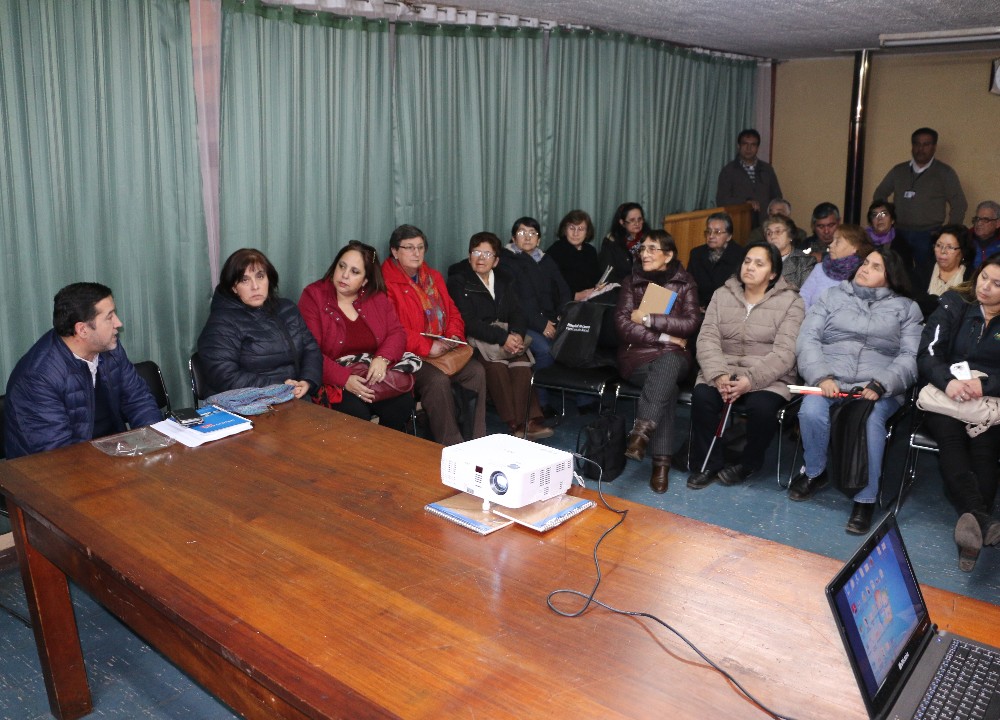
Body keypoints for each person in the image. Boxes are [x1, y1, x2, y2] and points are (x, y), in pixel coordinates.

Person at [791, 249, 922, 535]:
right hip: (830, 379)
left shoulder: (907, 308)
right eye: (864, 263)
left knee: (870, 422)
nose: (865, 269)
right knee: (810, 411)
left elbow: (910, 358)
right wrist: (821, 375)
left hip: (876, 386)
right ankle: (815, 472)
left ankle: (865, 499)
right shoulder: (832, 296)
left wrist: (880, 384)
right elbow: (808, 338)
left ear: (890, 275)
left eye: (875, 266)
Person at [686, 243, 804, 489]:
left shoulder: (791, 302)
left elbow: (785, 352)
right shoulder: (722, 294)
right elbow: (707, 338)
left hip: (768, 374)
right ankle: (709, 463)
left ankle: (749, 463)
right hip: (723, 369)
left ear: (773, 274)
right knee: (703, 396)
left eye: (759, 264)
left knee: (762, 406)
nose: (749, 267)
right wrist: (718, 375)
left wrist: (750, 380)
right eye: (747, 261)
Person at [5, 283, 162, 459]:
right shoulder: (38, 378)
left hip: (111, 455)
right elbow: (58, 454)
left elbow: (138, 399)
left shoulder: (109, 348)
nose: (118, 323)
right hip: (54, 472)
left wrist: (157, 444)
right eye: (109, 317)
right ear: (82, 330)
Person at [917, 257, 1000, 571]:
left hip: (987, 400)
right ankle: (982, 520)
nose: (985, 287)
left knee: (986, 448)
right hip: (946, 396)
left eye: (996, 284)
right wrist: (948, 382)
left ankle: (972, 532)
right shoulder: (955, 301)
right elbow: (927, 353)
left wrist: (987, 384)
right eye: (984, 278)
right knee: (950, 439)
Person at [381, 224, 487, 445]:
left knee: (476, 371)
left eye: (420, 247)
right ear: (394, 251)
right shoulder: (385, 283)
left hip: (442, 349)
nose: (416, 253)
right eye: (409, 248)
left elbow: (453, 312)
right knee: (437, 381)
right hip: (408, 354)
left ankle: (477, 441)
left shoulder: (433, 277)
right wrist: (427, 347)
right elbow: (391, 329)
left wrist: (454, 336)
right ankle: (452, 446)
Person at [615, 230, 701, 493]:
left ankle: (641, 433)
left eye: (653, 248)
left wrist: (649, 319)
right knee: (668, 387)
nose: (645, 254)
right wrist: (666, 336)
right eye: (643, 248)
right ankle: (660, 463)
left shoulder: (686, 283)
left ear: (669, 255)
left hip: (675, 357)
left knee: (669, 363)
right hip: (636, 356)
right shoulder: (632, 282)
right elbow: (622, 325)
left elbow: (690, 323)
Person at [299, 241, 413, 432]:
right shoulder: (314, 296)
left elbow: (397, 332)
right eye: (342, 266)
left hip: (369, 373)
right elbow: (309, 351)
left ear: (365, 280)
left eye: (355, 272)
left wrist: (382, 358)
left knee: (402, 403)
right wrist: (344, 379)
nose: (344, 275)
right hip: (332, 379)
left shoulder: (375, 297)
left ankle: (388, 456)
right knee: (356, 413)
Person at [448, 232, 552, 440]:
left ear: (495, 260)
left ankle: (529, 420)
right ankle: (514, 422)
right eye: (476, 252)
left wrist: (516, 334)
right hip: (478, 341)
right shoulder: (458, 282)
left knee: (521, 364)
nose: (481, 258)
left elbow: (518, 312)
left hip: (506, 337)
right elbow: (468, 321)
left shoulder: (505, 279)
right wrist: (502, 338)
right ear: (469, 257)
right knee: (496, 368)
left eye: (487, 254)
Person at [197, 248, 321, 398]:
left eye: (260, 276)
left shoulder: (287, 309)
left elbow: (311, 349)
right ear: (233, 287)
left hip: (294, 397)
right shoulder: (221, 322)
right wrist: (279, 387)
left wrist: (306, 381)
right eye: (244, 280)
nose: (255, 286)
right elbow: (224, 375)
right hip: (246, 404)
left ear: (269, 279)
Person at [873, 127, 967, 271]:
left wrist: (948, 233)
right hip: (899, 232)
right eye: (917, 144)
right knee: (898, 275)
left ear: (934, 147)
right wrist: (885, 221)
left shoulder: (944, 173)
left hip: (929, 235)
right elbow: (880, 193)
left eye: (926, 144)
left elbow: (959, 204)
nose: (920, 149)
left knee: (927, 276)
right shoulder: (899, 170)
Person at [501, 216, 570, 402]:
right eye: (522, 233)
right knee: (546, 350)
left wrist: (561, 316)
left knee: (575, 341)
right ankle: (542, 402)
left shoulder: (545, 260)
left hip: (551, 319)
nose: (528, 237)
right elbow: (516, 302)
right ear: (513, 238)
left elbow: (563, 289)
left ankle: (584, 401)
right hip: (523, 322)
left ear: (539, 239)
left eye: (533, 233)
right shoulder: (507, 261)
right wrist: (541, 324)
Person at [715, 128, 783, 228]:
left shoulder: (767, 169)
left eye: (753, 145)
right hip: (738, 224)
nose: (748, 148)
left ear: (757, 147)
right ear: (739, 146)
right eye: (745, 144)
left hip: (765, 224)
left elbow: (777, 197)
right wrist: (745, 202)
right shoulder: (729, 170)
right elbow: (722, 200)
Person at [798, 223, 873, 310]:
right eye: (832, 240)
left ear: (854, 247)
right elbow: (803, 297)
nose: (830, 245)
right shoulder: (820, 268)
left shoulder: (862, 274)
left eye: (837, 242)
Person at [688, 211, 743, 309]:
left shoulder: (741, 255)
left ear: (729, 236)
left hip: (730, 310)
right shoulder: (696, 254)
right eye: (708, 231)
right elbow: (689, 285)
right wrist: (695, 305)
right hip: (701, 309)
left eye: (717, 232)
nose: (711, 236)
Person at [546, 210, 606, 301]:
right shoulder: (555, 251)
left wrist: (598, 286)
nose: (575, 233)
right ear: (565, 230)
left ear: (587, 232)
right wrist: (575, 295)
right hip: (565, 304)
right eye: (572, 228)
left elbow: (596, 278)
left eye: (581, 229)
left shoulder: (590, 251)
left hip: (590, 301)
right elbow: (549, 286)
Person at [914, 224, 970, 318]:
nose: (943, 251)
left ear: (962, 251)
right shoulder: (922, 270)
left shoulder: (971, 277)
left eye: (950, 247)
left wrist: (932, 302)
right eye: (939, 245)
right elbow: (916, 303)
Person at [598, 202, 651, 283]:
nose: (637, 223)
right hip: (623, 287)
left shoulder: (649, 237)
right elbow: (609, 276)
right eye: (632, 220)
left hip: (648, 282)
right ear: (622, 222)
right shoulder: (611, 242)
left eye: (639, 219)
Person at [762, 213, 815, 290]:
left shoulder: (805, 262)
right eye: (769, 233)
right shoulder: (760, 260)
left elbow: (805, 295)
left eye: (778, 231)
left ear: (790, 236)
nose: (772, 236)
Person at [968, 200, 1000, 269]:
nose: (979, 223)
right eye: (977, 219)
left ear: (997, 223)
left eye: (985, 219)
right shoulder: (965, 239)